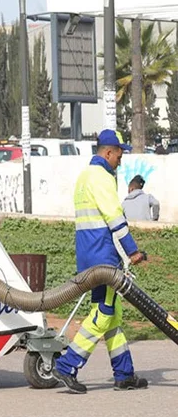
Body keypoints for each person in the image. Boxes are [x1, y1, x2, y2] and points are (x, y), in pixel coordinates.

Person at [52, 129, 148, 394]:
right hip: (102, 257)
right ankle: (67, 365)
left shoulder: (84, 177)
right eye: (119, 153)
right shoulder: (101, 177)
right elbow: (114, 218)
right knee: (104, 314)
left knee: (112, 314)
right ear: (108, 152)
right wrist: (133, 252)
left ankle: (124, 374)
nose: (121, 159)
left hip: (87, 253)